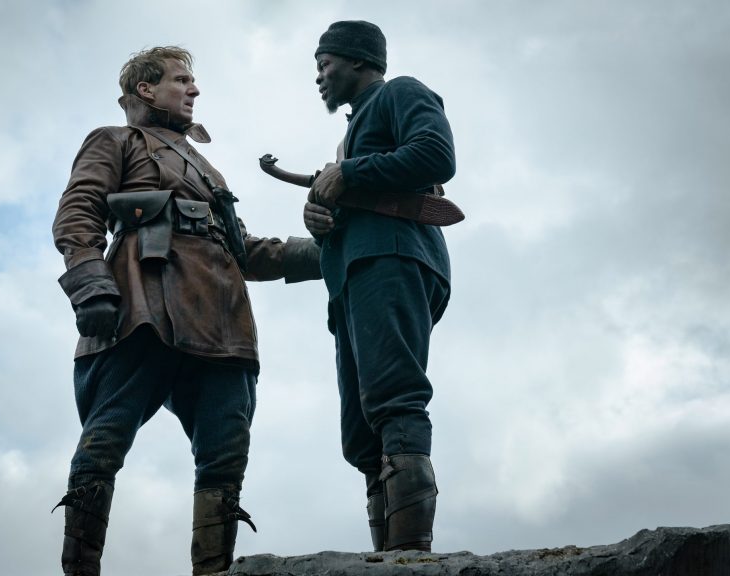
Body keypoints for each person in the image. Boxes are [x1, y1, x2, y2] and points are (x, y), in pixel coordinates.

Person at [51, 46, 320, 576]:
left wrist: (326, 253)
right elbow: (78, 211)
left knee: (225, 457)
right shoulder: (116, 140)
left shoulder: (209, 170)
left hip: (222, 320)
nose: (194, 90)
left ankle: (213, 571)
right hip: (143, 305)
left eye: (192, 81)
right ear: (146, 89)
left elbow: (246, 250)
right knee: (104, 443)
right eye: (181, 79)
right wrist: (90, 285)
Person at [302, 21, 455, 553]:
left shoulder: (401, 92)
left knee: (394, 401)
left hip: (393, 257)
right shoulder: (348, 133)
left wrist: (350, 174)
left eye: (325, 64)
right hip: (353, 275)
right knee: (361, 433)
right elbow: (358, 186)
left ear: (358, 60)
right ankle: (385, 555)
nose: (319, 77)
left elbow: (437, 156)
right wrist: (320, 213)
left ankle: (410, 559)